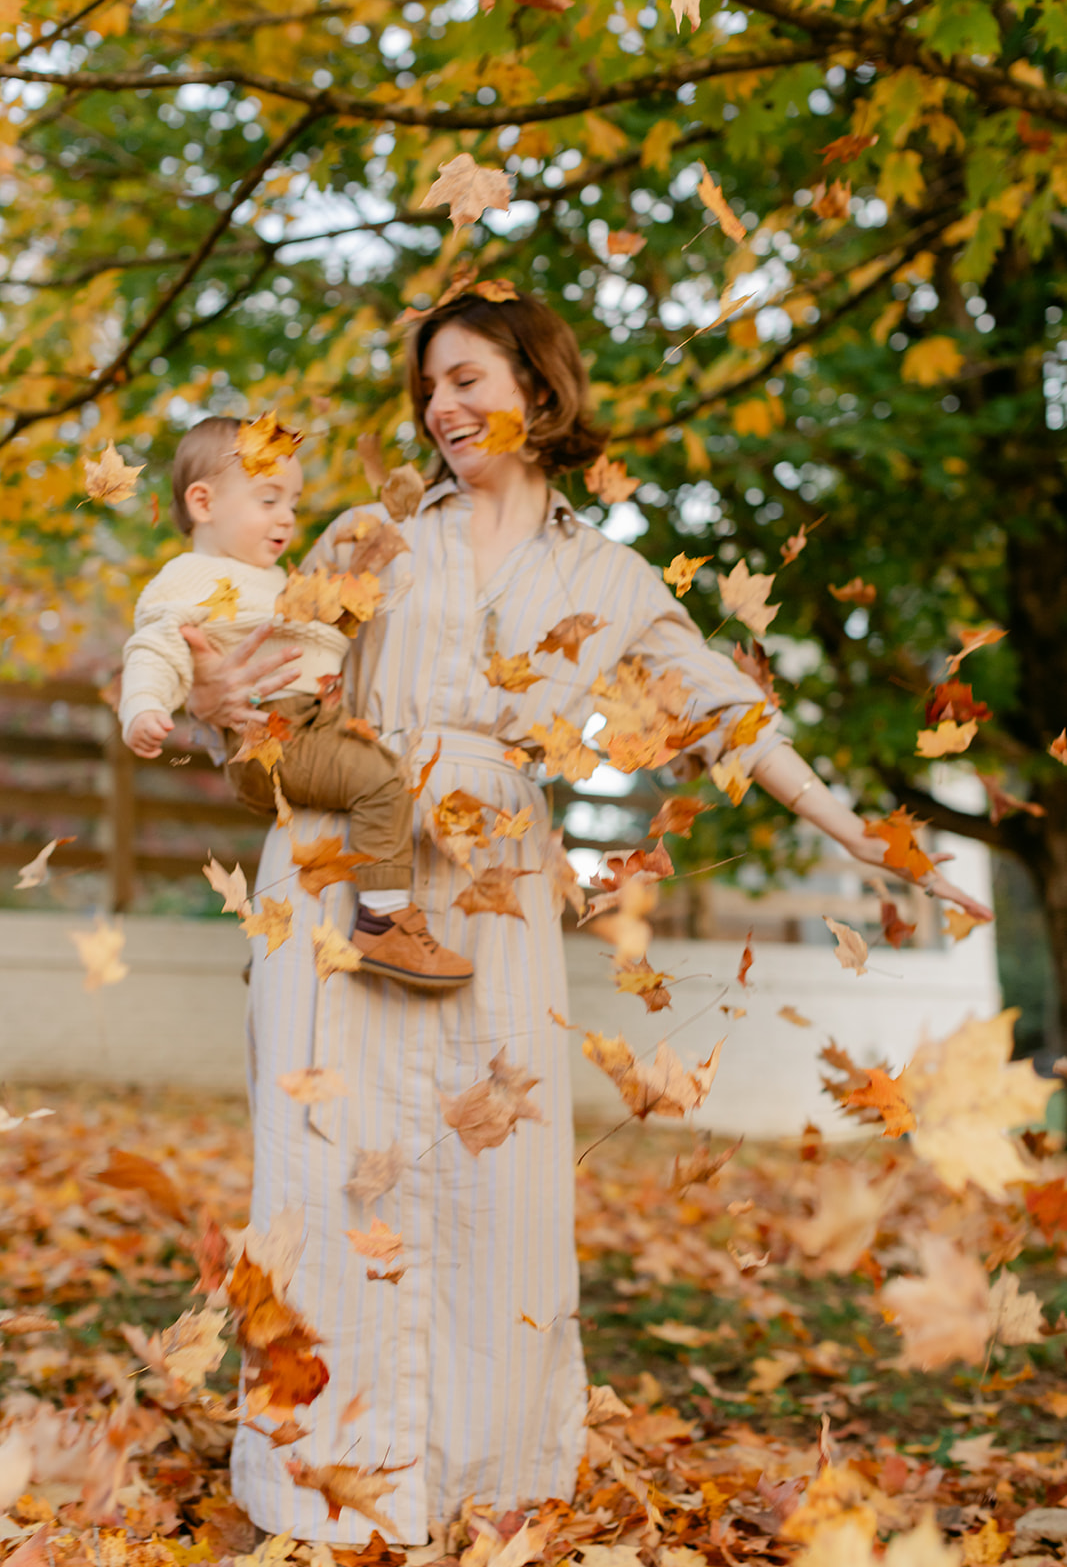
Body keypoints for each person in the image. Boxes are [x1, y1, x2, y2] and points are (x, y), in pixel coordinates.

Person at [182, 291, 992, 1546]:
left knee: (491, 1180)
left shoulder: (605, 577)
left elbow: (734, 718)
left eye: (467, 379)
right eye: (430, 389)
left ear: (538, 385)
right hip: (343, 870)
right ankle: (322, 1481)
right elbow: (256, 698)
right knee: (328, 1167)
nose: (443, 408)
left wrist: (871, 842)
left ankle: (477, 1485)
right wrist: (211, 700)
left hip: (495, 888)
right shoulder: (370, 532)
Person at [118, 415, 472, 990]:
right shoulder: (188, 578)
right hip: (275, 736)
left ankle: (282, 937)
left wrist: (355, 586)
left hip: (309, 725)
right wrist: (143, 706)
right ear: (204, 503)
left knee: (345, 803)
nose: (287, 515)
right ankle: (384, 921)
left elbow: (320, 632)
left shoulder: (269, 580)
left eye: (294, 501)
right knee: (382, 781)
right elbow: (155, 646)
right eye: (268, 498)